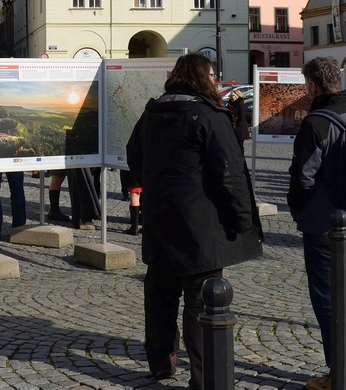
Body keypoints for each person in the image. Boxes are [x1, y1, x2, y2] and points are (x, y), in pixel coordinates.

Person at [127, 53, 263, 390]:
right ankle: (204, 378)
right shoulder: (207, 115)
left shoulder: (153, 112)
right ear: (202, 78)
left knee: (160, 291)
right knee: (201, 299)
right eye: (213, 75)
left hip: (159, 216)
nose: (216, 80)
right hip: (199, 222)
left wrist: (157, 184)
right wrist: (243, 219)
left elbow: (133, 154)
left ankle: (161, 361)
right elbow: (230, 172)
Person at [286, 57, 346, 390]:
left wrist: (299, 210)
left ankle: (343, 376)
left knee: (327, 301)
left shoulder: (316, 123)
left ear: (312, 85)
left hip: (324, 226)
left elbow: (302, 178)